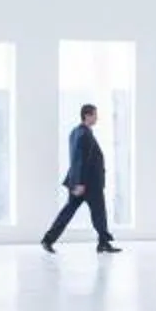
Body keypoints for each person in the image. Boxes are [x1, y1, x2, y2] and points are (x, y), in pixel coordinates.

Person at [42, 103, 121, 253]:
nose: (97, 118)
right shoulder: (84, 134)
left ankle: (48, 239)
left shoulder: (76, 132)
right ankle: (103, 242)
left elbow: (78, 158)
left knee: (72, 211)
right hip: (87, 184)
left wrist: (77, 182)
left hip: (82, 182)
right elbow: (79, 159)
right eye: (95, 115)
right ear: (87, 115)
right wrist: (80, 183)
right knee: (98, 212)